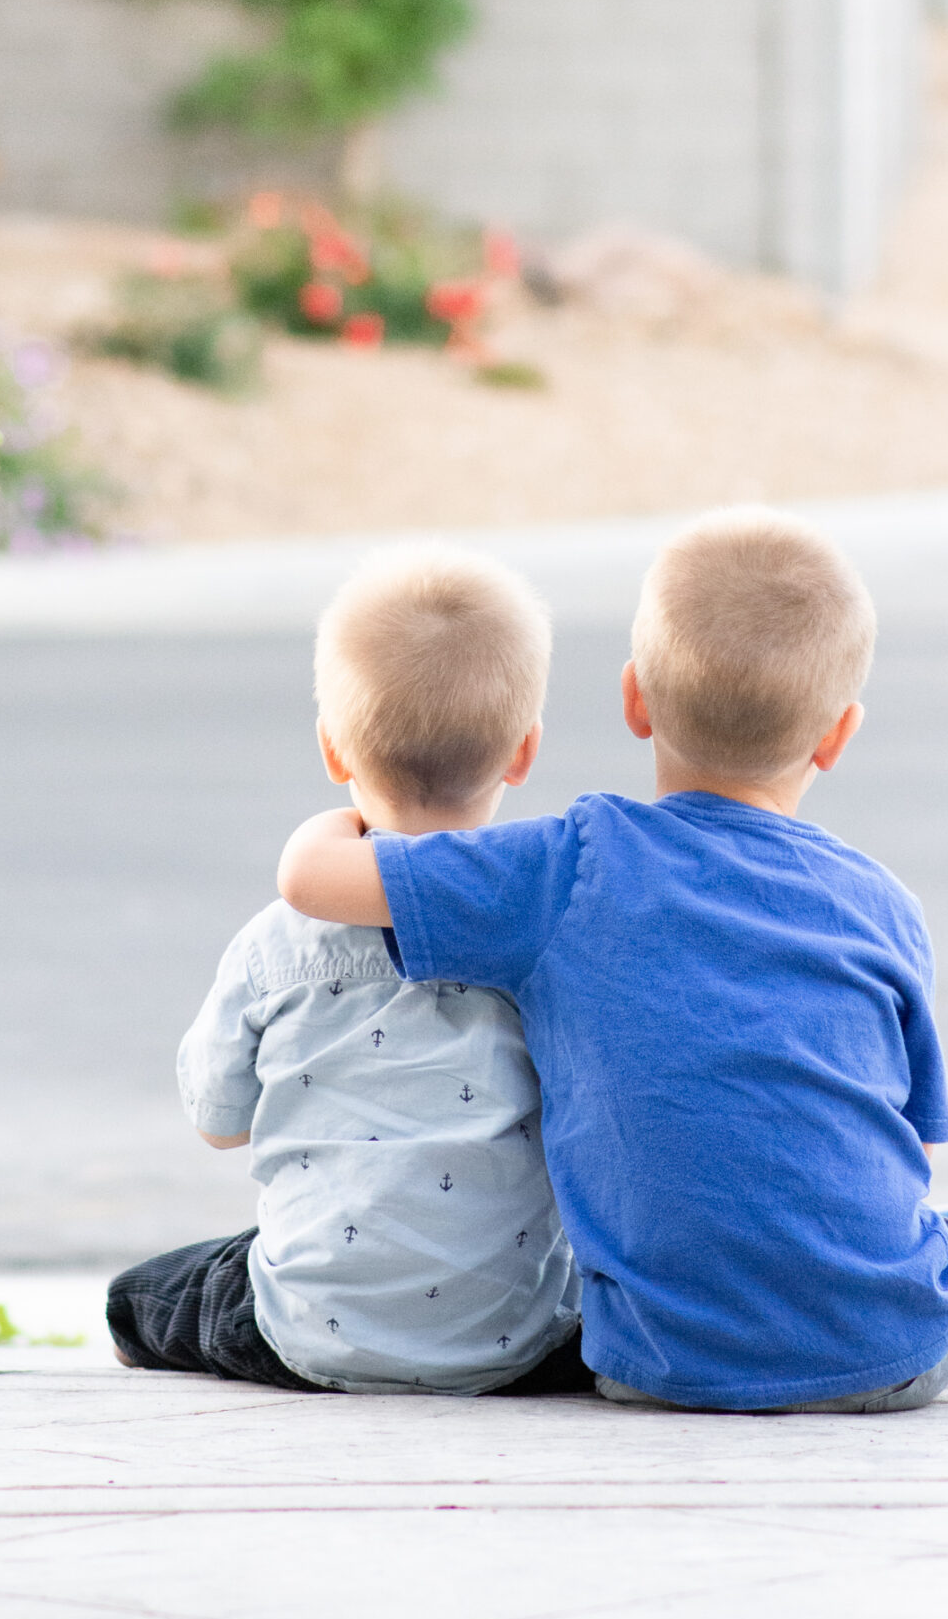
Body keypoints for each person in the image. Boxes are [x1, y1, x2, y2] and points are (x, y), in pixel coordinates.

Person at [277, 507, 948, 1415]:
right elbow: (916, 1142)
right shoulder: (884, 906)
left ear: (633, 698)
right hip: (890, 1356)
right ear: (837, 735)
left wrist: (334, 818)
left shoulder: (568, 866)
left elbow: (311, 881)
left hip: (656, 1363)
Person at [106, 545, 588, 1394]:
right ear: (523, 752)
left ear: (334, 749)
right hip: (509, 1342)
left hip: (306, 1333)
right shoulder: (544, 941)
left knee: (142, 1297)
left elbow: (219, 1122)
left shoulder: (276, 946)